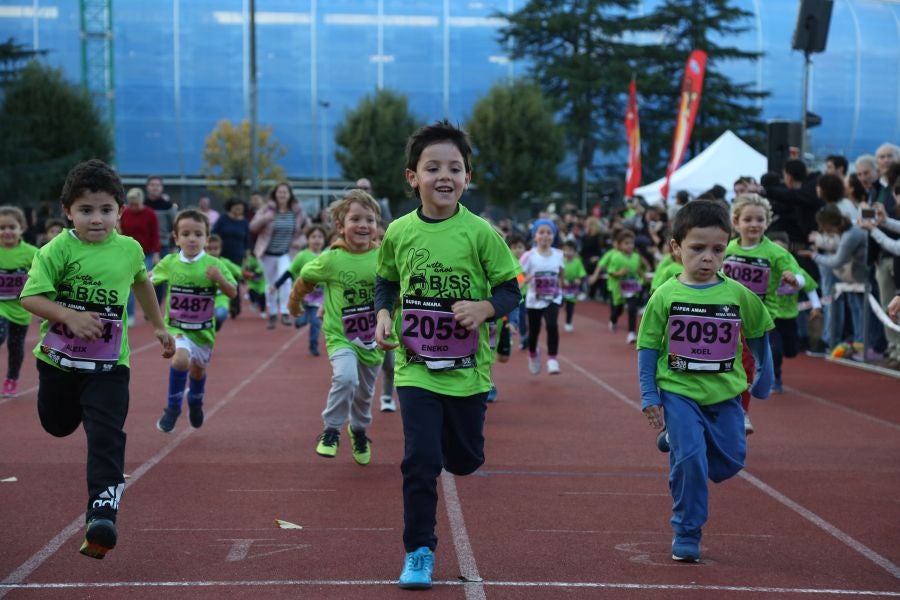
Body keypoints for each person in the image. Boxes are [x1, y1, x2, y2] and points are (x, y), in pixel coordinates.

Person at [373, 120, 521, 590]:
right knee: (419, 460)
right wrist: (383, 314)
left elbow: (510, 290)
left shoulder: (480, 233)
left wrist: (485, 308)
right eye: (432, 167)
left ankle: (459, 449)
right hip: (415, 368)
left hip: (468, 373)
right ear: (412, 177)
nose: (444, 176)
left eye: (454, 168)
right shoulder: (399, 231)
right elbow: (386, 281)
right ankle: (418, 551)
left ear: (467, 178)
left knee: (464, 459)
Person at [20, 159, 175, 559]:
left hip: (109, 367)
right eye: (86, 210)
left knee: (106, 435)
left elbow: (142, 283)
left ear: (119, 211)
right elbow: (30, 297)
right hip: (58, 364)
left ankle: (102, 514)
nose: (96, 219)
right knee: (57, 425)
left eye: (106, 210)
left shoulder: (129, 249)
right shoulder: (56, 250)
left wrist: (159, 325)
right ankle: (71, 413)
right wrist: (68, 315)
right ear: (68, 211)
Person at [637, 199, 773, 563]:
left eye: (717, 249)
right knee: (692, 461)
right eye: (697, 249)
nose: (708, 258)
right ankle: (687, 530)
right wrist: (650, 395)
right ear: (676, 247)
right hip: (679, 392)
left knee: (730, 462)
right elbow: (647, 347)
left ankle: (676, 443)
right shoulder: (665, 295)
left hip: (725, 395)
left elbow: (759, 332)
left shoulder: (737, 294)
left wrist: (766, 376)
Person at [286, 190, 384, 462]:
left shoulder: (384, 258)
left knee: (364, 394)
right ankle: (331, 430)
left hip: (373, 337)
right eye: (355, 219)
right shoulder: (331, 259)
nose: (363, 225)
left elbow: (397, 292)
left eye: (370, 220)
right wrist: (294, 303)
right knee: (346, 378)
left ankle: (359, 431)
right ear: (340, 226)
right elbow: (306, 278)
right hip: (340, 334)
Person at [152, 210, 237, 433]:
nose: (192, 239)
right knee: (180, 360)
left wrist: (219, 279)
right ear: (176, 238)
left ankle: (195, 400)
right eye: (186, 234)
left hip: (203, 332)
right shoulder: (170, 262)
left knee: (198, 372)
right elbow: (147, 281)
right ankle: (172, 408)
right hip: (177, 327)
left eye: (198, 234)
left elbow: (232, 292)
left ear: (206, 239)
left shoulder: (214, 264)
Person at [724, 194, 802, 393]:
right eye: (748, 219)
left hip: (761, 317)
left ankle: (759, 386)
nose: (754, 224)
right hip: (728, 315)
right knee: (730, 360)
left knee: (752, 361)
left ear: (767, 222)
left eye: (760, 219)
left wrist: (793, 278)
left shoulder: (775, 252)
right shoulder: (726, 249)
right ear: (736, 222)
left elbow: (799, 275)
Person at [249, 182, 310, 329]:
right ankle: (272, 314)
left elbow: (308, 228)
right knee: (270, 284)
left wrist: (301, 241)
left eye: (285, 192)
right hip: (267, 254)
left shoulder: (297, 211)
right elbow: (252, 227)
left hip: (286, 253)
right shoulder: (267, 209)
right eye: (280, 192)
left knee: (286, 281)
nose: (282, 195)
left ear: (290, 195)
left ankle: (284, 312)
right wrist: (267, 217)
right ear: (275, 194)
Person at [271, 224, 328, 355]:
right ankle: (299, 321)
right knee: (303, 320)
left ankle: (313, 346)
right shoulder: (302, 256)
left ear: (324, 239)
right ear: (308, 239)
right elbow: (290, 272)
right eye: (313, 237)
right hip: (302, 296)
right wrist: (276, 285)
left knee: (316, 322)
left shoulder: (327, 256)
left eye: (320, 237)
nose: (317, 240)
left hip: (318, 297)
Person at [0, 206, 38, 397]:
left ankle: (11, 379)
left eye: (11, 227)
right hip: (1, 306)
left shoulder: (31, 253)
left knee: (16, 347)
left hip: (21, 308)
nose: (7, 231)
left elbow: (44, 273)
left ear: (21, 228)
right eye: (2, 228)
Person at [521, 218, 564, 374]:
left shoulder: (559, 254)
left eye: (549, 232)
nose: (545, 235)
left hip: (553, 298)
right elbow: (517, 274)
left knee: (552, 325)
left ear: (554, 235)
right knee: (534, 331)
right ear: (535, 235)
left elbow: (561, 272)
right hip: (534, 300)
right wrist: (526, 279)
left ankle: (552, 360)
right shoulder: (529, 255)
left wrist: (561, 288)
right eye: (541, 232)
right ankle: (533, 354)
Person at [589, 228, 647, 344]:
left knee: (632, 308)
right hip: (618, 288)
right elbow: (611, 272)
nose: (630, 246)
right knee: (618, 310)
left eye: (631, 243)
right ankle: (613, 319)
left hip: (632, 287)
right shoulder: (615, 257)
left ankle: (631, 333)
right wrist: (619, 273)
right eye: (626, 243)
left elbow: (638, 269)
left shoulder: (636, 256)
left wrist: (645, 277)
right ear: (620, 245)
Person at [119, 187, 161, 322]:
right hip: (129, 254)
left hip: (147, 253)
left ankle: (150, 312)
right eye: (131, 204)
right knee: (129, 283)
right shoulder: (126, 213)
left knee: (145, 282)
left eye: (136, 204)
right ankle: (130, 315)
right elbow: (122, 232)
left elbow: (155, 234)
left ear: (141, 201)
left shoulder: (150, 214)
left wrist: (156, 253)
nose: (133, 207)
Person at [144, 176, 178, 304]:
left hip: (162, 246)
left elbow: (175, 227)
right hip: (142, 247)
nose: (155, 188)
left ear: (162, 188)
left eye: (157, 185)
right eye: (152, 185)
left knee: (158, 279)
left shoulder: (168, 206)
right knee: (143, 280)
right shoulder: (141, 205)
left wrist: (173, 246)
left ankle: (156, 306)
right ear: (147, 187)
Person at [205, 234, 244, 332]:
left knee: (220, 315)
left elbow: (238, 271)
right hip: (205, 298)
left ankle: (216, 326)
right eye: (210, 249)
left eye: (215, 249)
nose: (213, 252)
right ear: (205, 249)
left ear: (220, 249)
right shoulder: (201, 263)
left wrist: (248, 275)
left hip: (221, 297)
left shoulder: (224, 262)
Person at [562, 240, 587, 332]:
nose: (568, 252)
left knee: (570, 307)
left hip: (572, 289)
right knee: (556, 305)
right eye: (566, 250)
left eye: (570, 250)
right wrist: (562, 280)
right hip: (561, 288)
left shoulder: (578, 262)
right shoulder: (560, 261)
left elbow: (582, 274)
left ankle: (568, 323)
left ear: (575, 252)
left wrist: (579, 279)